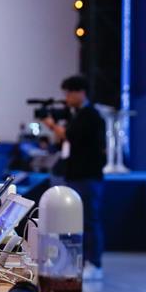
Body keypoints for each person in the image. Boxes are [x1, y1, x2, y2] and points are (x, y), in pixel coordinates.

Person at [42, 75, 106, 279]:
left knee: (89, 220)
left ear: (81, 92)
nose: (67, 97)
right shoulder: (77, 115)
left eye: (70, 92)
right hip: (75, 174)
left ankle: (94, 263)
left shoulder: (90, 115)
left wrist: (51, 125)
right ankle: (79, 260)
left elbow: (70, 136)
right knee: (75, 221)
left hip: (87, 175)